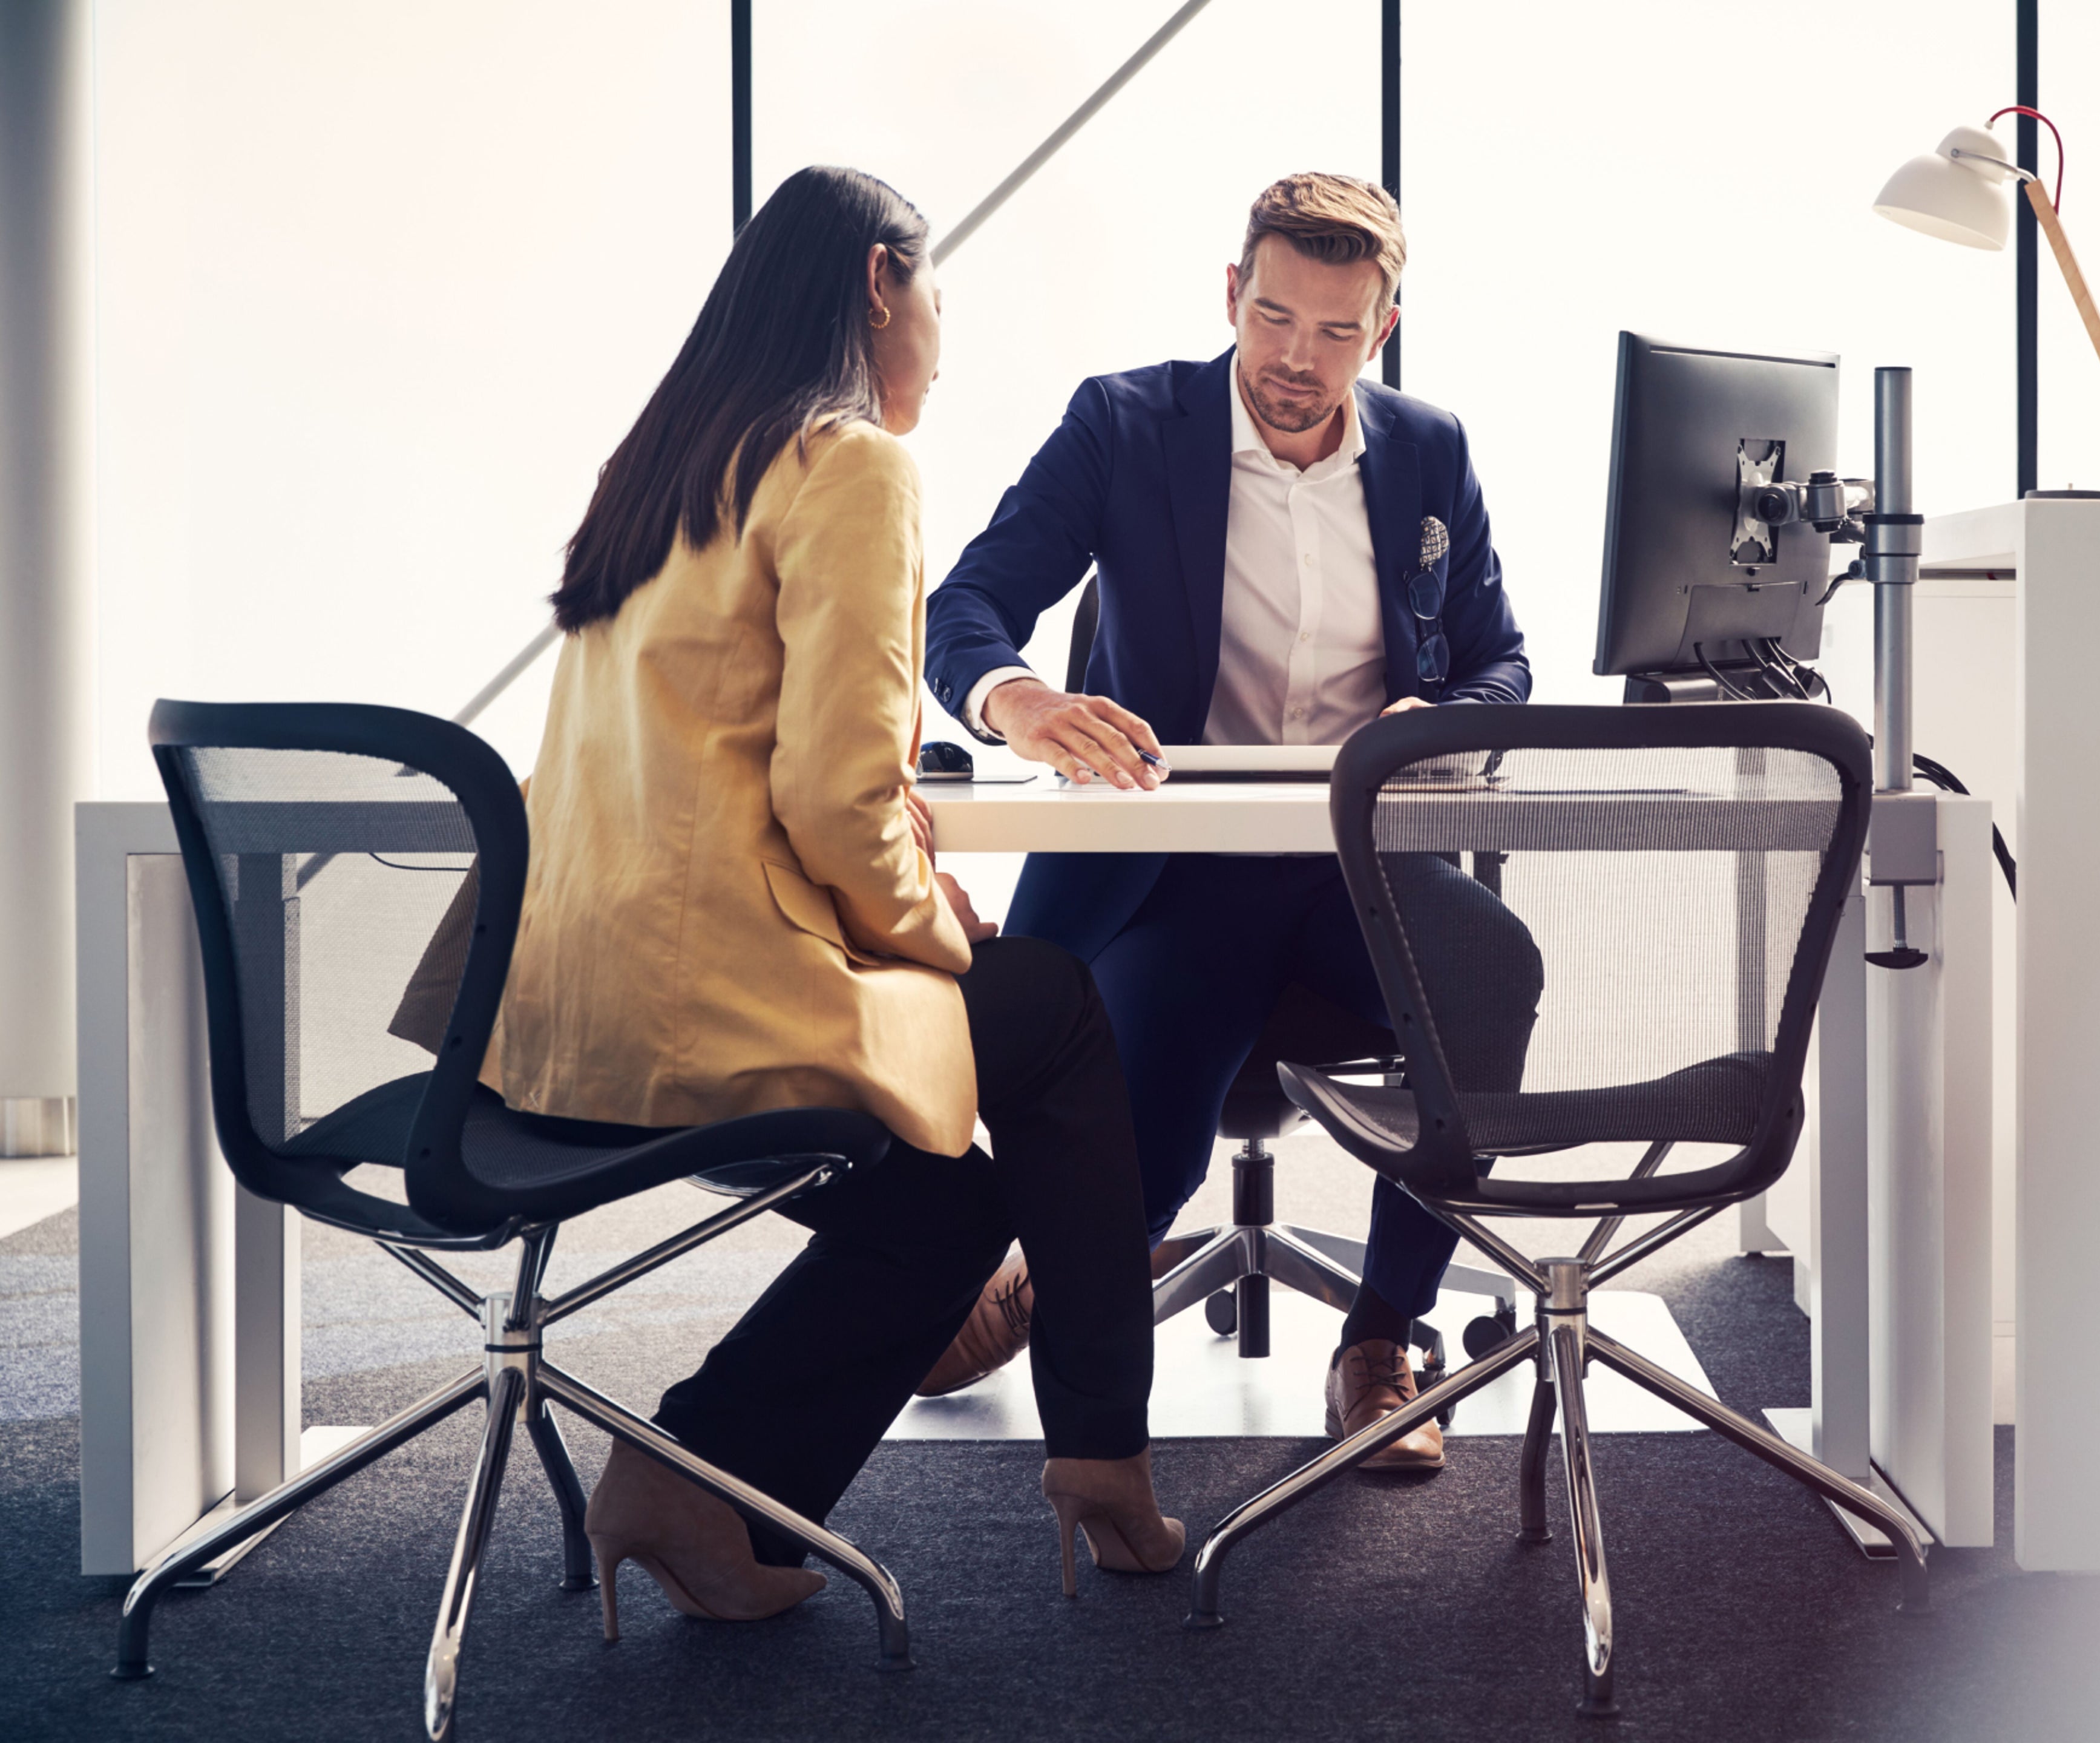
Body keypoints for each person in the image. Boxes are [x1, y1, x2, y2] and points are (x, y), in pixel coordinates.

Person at [484, 165, 1180, 1635]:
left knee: (950, 1203)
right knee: (1048, 1005)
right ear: (881, 282)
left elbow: (725, 755)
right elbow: (832, 804)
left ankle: (699, 1477)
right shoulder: (849, 463)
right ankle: (1103, 1454)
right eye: (939, 295)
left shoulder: (667, 463)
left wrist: (890, 860)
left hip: (559, 1010)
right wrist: (939, 926)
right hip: (710, 1002)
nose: (945, 333)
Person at [923, 173, 1543, 1472]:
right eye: (1273, 319)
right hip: (1178, 870)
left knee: (1494, 971)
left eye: (1333, 331)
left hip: (1353, 868)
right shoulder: (1127, 423)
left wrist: (1426, 729)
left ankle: (1383, 1340)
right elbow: (968, 605)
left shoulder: (1428, 451)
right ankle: (1048, 1287)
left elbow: (1501, 662)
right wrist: (1019, 698)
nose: (1295, 361)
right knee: (1143, 1165)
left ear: (1381, 327)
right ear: (1231, 296)